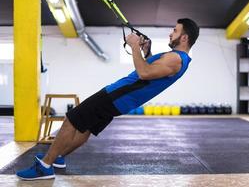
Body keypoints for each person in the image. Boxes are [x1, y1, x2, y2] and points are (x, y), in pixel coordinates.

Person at [16, 18, 199, 180]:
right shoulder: (179, 59)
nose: (170, 33)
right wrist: (147, 52)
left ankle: (45, 167)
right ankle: (58, 157)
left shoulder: (176, 58)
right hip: (121, 100)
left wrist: (135, 45)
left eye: (175, 30)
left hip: (116, 95)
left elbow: (144, 73)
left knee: (71, 120)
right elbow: (154, 71)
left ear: (184, 38)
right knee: (85, 128)